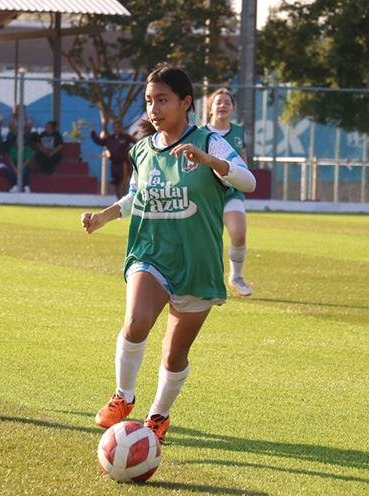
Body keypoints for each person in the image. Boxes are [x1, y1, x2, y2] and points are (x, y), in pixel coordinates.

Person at [81, 63, 255, 444]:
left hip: (196, 261)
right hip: (151, 252)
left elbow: (248, 180)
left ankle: (158, 416)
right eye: (149, 101)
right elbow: (135, 196)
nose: (153, 109)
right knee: (135, 322)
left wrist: (209, 161)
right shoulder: (142, 150)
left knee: (174, 355)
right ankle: (123, 396)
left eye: (162, 100)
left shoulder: (209, 141)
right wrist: (104, 217)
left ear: (185, 102)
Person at [206, 88, 253, 296]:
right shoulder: (200, 133)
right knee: (205, 241)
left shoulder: (239, 132)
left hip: (230, 193)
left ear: (233, 109)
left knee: (238, 234)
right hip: (206, 194)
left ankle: (236, 277)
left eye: (227, 102)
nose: (223, 105)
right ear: (210, 108)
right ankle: (202, 280)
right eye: (218, 102)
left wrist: (243, 177)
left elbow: (242, 159)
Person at [89, 120, 137, 199]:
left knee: (122, 182)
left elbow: (136, 143)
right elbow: (99, 142)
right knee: (115, 183)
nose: (116, 129)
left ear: (121, 128)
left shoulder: (126, 137)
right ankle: (118, 199)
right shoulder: (110, 138)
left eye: (118, 127)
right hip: (114, 164)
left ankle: (123, 199)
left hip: (123, 164)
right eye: (115, 127)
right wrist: (92, 132)